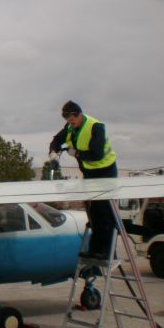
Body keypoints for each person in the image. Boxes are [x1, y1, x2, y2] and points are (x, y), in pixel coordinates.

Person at [49, 100, 118, 259]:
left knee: (104, 211)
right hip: (90, 173)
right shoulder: (70, 127)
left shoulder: (96, 127)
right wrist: (53, 152)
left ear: (79, 114)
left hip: (105, 171)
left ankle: (106, 252)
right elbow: (57, 139)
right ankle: (94, 250)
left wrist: (77, 153)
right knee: (93, 212)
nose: (70, 123)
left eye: (72, 119)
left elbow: (97, 154)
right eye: (68, 121)